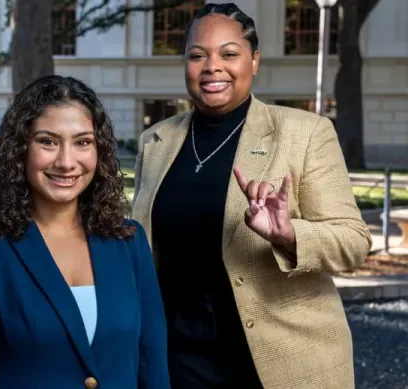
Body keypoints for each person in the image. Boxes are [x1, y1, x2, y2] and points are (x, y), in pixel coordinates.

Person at [131, 3, 372, 389]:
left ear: (254, 61)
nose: (212, 66)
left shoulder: (304, 132)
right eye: (197, 55)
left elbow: (353, 241)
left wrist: (288, 235)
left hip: (280, 359)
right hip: (180, 358)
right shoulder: (156, 141)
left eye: (229, 54)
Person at [0, 75, 170, 389]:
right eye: (48, 141)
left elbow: (153, 364)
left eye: (82, 142)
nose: (66, 162)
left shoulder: (129, 240)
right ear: (21, 149)